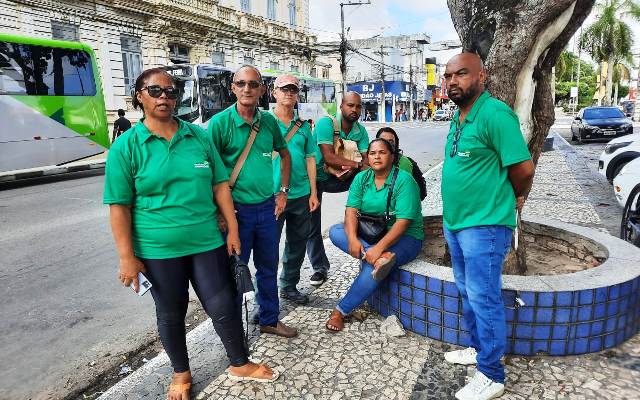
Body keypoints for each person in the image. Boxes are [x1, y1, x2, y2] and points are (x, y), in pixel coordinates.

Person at [104, 68, 278, 400]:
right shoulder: (127, 147)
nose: (164, 98)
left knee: (223, 302)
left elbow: (220, 186)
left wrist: (233, 230)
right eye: (155, 91)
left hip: (207, 240)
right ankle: (181, 373)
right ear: (139, 95)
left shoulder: (197, 137)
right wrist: (127, 257)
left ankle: (239, 362)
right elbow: (119, 206)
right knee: (171, 310)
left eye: (171, 92)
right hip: (157, 249)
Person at [440, 53, 534, 400]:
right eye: (448, 76)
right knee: (468, 292)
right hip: (458, 224)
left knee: (484, 296)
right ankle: (480, 349)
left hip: (485, 226)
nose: (452, 82)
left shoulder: (495, 114)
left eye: (461, 74)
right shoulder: (459, 116)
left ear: (482, 75)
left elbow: (522, 169)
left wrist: (514, 200)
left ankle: (492, 375)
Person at [208, 65, 297, 338]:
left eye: (253, 84)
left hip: (266, 208)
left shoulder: (268, 122)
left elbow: (285, 155)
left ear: (261, 89)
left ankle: (269, 319)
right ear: (233, 88)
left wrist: (282, 192)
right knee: (234, 273)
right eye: (241, 84)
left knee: (268, 268)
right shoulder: (220, 124)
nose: (247, 89)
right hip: (235, 211)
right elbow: (210, 171)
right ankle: (233, 331)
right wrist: (220, 213)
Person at [325, 138, 424, 332]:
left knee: (372, 266)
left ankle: (340, 311)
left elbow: (404, 223)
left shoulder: (404, 181)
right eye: (372, 153)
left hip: (405, 238)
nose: (376, 156)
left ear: (392, 157)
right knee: (336, 231)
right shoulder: (362, 178)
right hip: (372, 236)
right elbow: (351, 211)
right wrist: (353, 240)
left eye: (382, 152)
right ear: (367, 157)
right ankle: (377, 257)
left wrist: (377, 249)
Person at [307, 92, 369, 286]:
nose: (354, 110)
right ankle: (319, 268)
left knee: (369, 192)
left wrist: (354, 170)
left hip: (345, 177)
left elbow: (366, 162)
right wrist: (355, 165)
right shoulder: (327, 124)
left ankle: (369, 248)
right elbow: (328, 157)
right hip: (316, 179)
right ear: (341, 105)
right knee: (312, 225)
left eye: (358, 107)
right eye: (350, 105)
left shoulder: (361, 131)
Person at [270, 74, 320, 304]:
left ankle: (288, 286)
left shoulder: (302, 126)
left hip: (300, 195)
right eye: (284, 89)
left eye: (293, 90)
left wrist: (313, 192)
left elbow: (311, 158)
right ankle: (265, 300)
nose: (289, 93)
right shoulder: (264, 124)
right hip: (272, 196)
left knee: (297, 244)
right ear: (274, 93)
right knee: (268, 250)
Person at [375, 127, 427, 201]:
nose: (387, 145)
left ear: (396, 144)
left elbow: (421, 192)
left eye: (391, 141)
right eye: (383, 141)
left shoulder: (407, 163)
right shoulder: (370, 164)